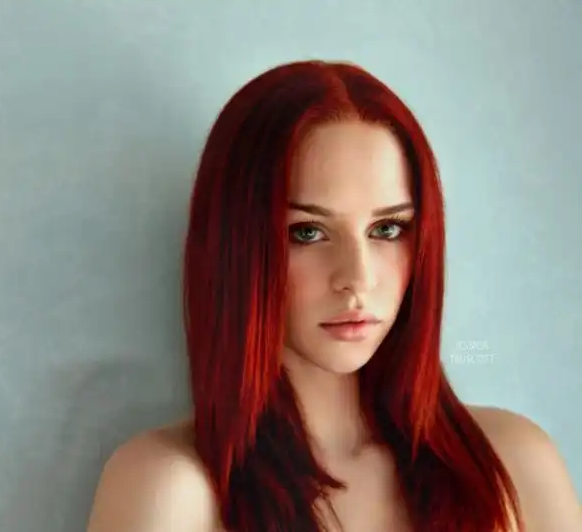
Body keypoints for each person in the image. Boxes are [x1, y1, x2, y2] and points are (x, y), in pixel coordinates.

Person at [86, 60, 582, 532]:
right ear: (235, 248)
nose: (357, 278)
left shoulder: (515, 465)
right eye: (307, 232)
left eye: (387, 228)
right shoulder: (168, 486)